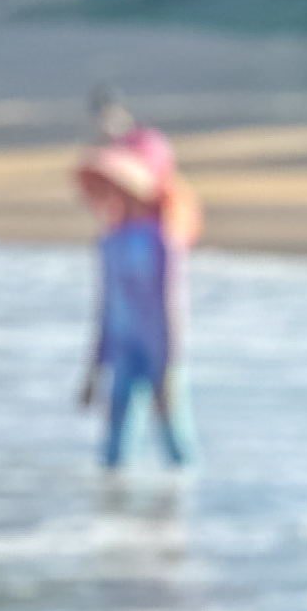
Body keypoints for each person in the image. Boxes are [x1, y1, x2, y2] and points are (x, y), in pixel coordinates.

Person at [76, 142, 189, 470]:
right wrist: (92, 372)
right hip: (121, 351)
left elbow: (171, 304)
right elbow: (104, 308)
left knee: (175, 439)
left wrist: (166, 371)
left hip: (159, 350)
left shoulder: (163, 239)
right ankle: (110, 518)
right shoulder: (108, 241)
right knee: (113, 449)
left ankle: (185, 513)